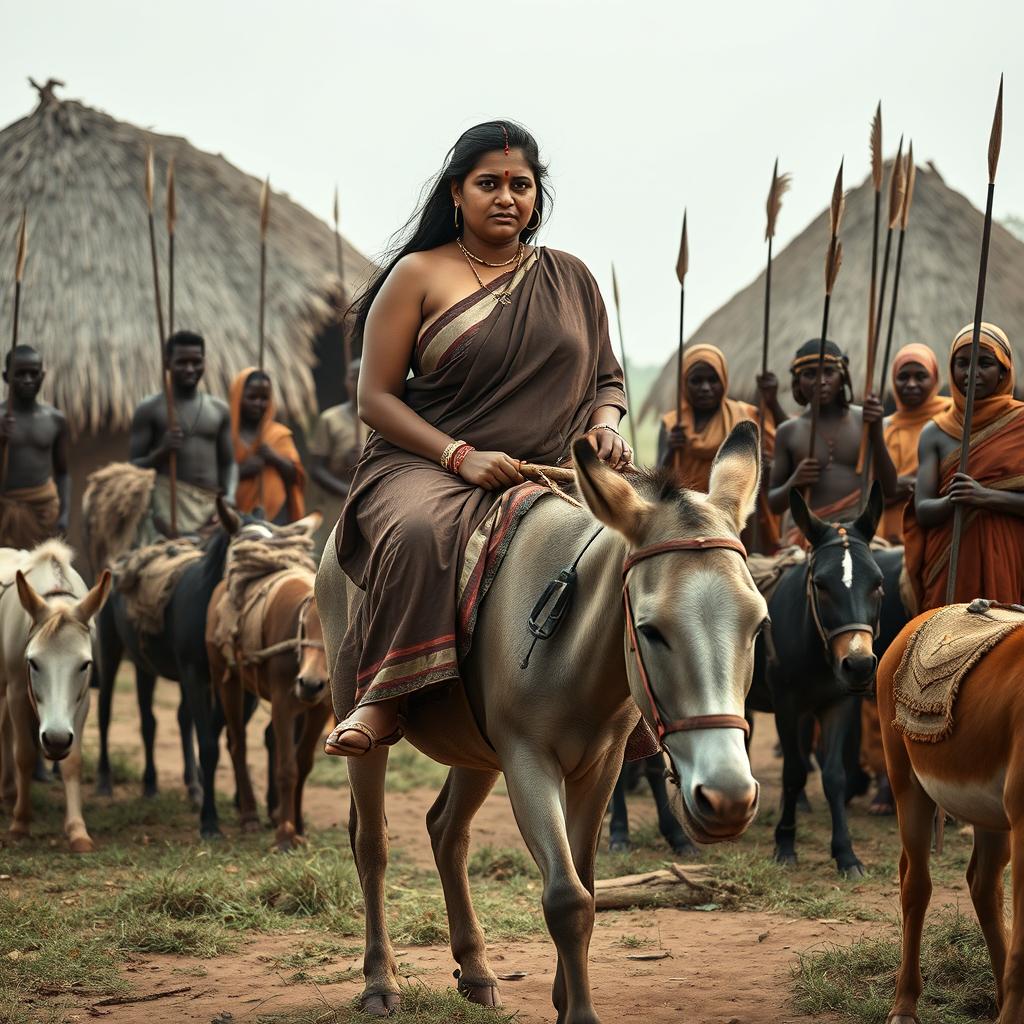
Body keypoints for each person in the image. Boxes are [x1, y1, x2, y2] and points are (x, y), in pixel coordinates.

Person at [323, 120, 630, 756]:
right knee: (417, 533)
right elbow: (374, 398)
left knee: (651, 541)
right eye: (488, 183)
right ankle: (386, 696)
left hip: (549, 470)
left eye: (521, 184)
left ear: (536, 197)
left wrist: (605, 428)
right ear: (456, 194)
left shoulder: (571, 277)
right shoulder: (418, 274)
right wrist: (459, 456)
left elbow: (607, 379)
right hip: (423, 464)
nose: (506, 197)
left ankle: (646, 707)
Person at [904, 322, 1024, 609]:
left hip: (1011, 553)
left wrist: (984, 497)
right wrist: (952, 501)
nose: (972, 373)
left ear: (1003, 371)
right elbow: (923, 510)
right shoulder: (934, 432)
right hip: (950, 559)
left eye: (984, 363)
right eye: (962, 363)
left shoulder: (1020, 425)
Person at [658, 342, 785, 551]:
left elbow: (782, 455)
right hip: (690, 521)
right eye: (696, 381)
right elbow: (660, 480)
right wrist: (671, 450)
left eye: (713, 380)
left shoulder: (747, 416)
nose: (705, 388)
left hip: (741, 524)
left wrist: (772, 404)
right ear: (684, 383)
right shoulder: (673, 424)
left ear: (724, 380)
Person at [768, 339, 897, 542]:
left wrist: (876, 433)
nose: (820, 381)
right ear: (797, 382)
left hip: (858, 536)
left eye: (829, 372)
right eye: (809, 374)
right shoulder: (788, 431)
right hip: (808, 538)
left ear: (843, 377)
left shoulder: (865, 421)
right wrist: (794, 482)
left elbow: (889, 488)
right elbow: (774, 504)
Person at [129, 330, 235, 537]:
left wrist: (229, 497)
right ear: (167, 363)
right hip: (169, 511)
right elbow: (131, 468)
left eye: (196, 362)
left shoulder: (219, 409)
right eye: (182, 362)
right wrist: (161, 453)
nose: (190, 369)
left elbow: (229, 462)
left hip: (212, 509)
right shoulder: (151, 409)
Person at [877, 344, 953, 543]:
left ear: (935, 379)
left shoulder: (952, 419)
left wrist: (913, 486)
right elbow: (866, 491)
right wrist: (896, 487)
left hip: (936, 532)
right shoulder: (884, 428)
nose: (911, 384)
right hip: (886, 538)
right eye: (903, 377)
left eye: (920, 376)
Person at [0, 345, 69, 548]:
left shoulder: (55, 419)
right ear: (6, 377)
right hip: (4, 515)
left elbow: (64, 473)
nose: (28, 379)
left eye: (34, 373)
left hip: (44, 512)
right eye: (20, 374)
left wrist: (64, 514)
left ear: (43, 375)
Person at [230, 368, 305, 524]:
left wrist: (274, 458)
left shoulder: (279, 435)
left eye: (264, 398)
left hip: (277, 516)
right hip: (236, 517)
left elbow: (296, 475)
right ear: (238, 397)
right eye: (252, 397)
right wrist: (241, 471)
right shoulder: (226, 435)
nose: (258, 403)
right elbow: (214, 479)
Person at [309, 357, 363, 501]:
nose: (357, 383)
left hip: (369, 497)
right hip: (336, 499)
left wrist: (366, 459)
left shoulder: (381, 419)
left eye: (362, 376)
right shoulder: (329, 419)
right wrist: (347, 492)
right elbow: (316, 469)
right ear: (345, 382)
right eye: (353, 377)